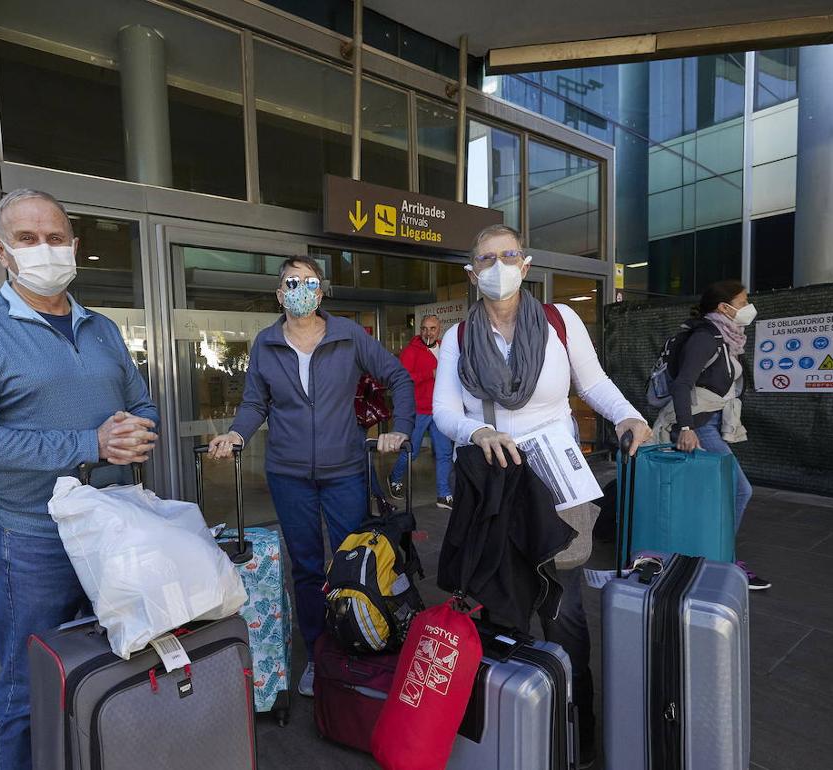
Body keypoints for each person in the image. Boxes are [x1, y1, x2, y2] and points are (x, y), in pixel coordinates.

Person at [0, 189, 158, 770]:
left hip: (115, 525)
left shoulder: (102, 328)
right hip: (36, 538)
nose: (45, 250)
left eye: (56, 238)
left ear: (75, 245)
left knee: (119, 664)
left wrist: (137, 429)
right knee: (27, 684)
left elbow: (142, 401)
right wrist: (92, 443)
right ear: (0, 251)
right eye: (28, 239)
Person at [432, 224, 653, 768]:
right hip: (495, 480)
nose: (498, 265)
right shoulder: (457, 338)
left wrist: (628, 414)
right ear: (472, 272)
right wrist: (475, 432)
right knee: (504, 604)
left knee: (564, 607)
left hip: (557, 477)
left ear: (525, 264)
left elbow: (592, 382)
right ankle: (516, 725)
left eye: (508, 255)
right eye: (486, 258)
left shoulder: (559, 321)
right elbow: (443, 412)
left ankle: (577, 734)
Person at [208, 256, 415, 698]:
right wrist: (235, 434)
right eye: (291, 282)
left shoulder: (348, 335)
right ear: (279, 294)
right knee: (304, 568)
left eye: (309, 282)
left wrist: (402, 428)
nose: (300, 288)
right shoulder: (265, 343)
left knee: (351, 562)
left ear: (320, 293)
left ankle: (355, 649)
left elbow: (398, 375)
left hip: (344, 470)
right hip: (288, 473)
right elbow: (254, 403)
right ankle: (320, 657)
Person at [654, 279, 770, 591]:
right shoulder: (706, 337)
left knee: (711, 495)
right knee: (738, 490)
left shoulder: (725, 337)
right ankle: (719, 560)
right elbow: (682, 383)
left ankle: (705, 557)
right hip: (699, 425)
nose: (748, 308)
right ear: (724, 307)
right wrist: (687, 428)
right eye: (744, 301)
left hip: (709, 422)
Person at [386, 314, 454, 509]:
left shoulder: (446, 348)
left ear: (439, 329)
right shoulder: (411, 351)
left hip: (440, 409)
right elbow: (404, 379)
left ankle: (444, 494)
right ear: (420, 330)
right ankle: (395, 478)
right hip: (419, 410)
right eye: (424, 328)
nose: (428, 332)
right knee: (412, 451)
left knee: (444, 453)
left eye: (432, 328)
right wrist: (429, 374)